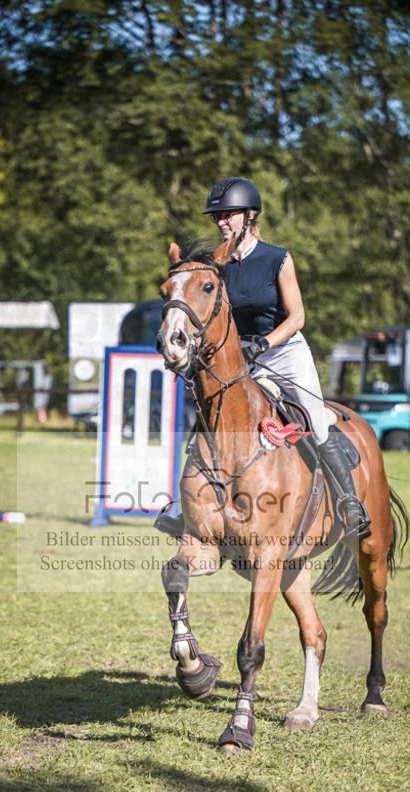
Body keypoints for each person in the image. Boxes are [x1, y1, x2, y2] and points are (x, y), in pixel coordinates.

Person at [156, 176, 371, 540]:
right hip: (238, 360)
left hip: (284, 352)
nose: (222, 222)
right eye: (217, 217)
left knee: (315, 419)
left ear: (250, 215)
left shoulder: (277, 258)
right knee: (207, 422)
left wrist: (265, 344)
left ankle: (350, 502)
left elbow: (298, 316)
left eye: (228, 214)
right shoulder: (214, 264)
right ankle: (186, 509)